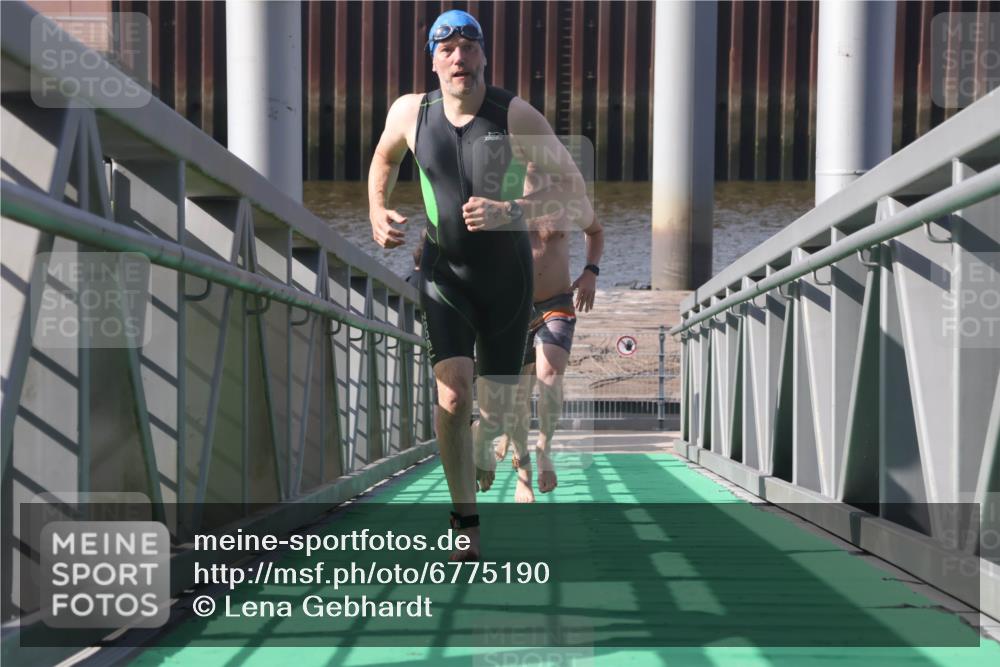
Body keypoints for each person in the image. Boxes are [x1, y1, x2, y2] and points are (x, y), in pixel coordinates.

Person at [367, 9, 595, 559]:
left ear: (484, 55)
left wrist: (511, 210)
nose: (459, 58)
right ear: (433, 60)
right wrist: (376, 209)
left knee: (494, 410)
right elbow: (383, 159)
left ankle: (483, 438)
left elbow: (575, 193)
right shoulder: (410, 112)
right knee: (452, 393)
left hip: (506, 281)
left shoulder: (514, 115)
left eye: (469, 47)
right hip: (444, 275)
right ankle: (464, 521)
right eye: (447, 50)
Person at [495, 191, 604, 503]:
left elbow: (595, 231)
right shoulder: (500, 189)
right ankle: (523, 471)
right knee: (518, 393)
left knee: (550, 376)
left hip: (556, 303)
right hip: (511, 307)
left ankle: (544, 446)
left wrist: (590, 271)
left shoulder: (566, 191)